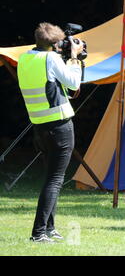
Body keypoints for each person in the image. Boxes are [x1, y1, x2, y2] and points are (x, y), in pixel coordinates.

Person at [17, 22, 84, 242]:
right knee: (55, 180)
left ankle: (49, 228)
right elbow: (74, 82)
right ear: (55, 45)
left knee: (51, 178)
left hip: (39, 126)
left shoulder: (25, 58)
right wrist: (74, 57)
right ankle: (38, 233)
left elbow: (51, 83)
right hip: (59, 125)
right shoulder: (52, 59)